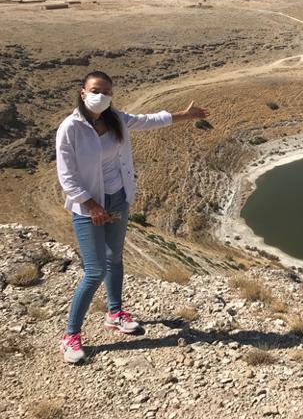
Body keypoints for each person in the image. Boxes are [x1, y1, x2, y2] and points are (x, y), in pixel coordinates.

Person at [55, 70, 209, 363]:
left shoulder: (116, 119)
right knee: (94, 270)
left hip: (117, 199)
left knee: (115, 259)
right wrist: (92, 206)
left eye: (107, 92)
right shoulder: (70, 128)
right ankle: (70, 336)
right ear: (83, 92)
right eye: (96, 90)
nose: (102, 96)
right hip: (88, 207)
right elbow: (67, 177)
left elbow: (149, 121)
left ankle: (115, 314)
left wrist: (183, 116)